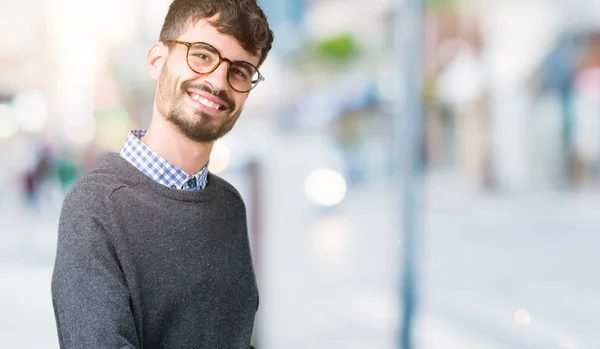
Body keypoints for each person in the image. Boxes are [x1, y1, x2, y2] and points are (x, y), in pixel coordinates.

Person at [51, 0, 274, 348]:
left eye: (240, 71)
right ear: (157, 60)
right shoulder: (96, 206)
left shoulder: (230, 205)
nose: (218, 81)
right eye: (202, 55)